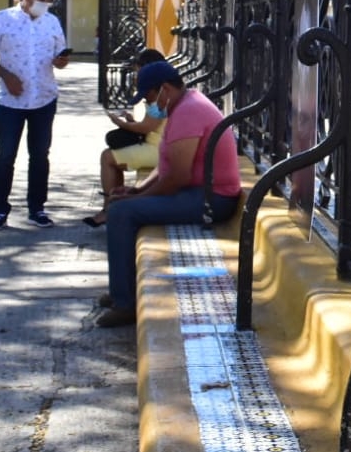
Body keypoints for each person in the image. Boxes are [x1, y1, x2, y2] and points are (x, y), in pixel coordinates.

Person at [96, 60, 242, 328]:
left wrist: (136, 199)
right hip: (197, 192)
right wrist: (136, 190)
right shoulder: (184, 106)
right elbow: (166, 168)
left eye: (150, 97)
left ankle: (125, 303)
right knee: (122, 205)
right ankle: (123, 289)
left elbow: (177, 177)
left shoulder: (188, 112)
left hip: (212, 200)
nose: (150, 105)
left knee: (119, 213)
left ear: (164, 89)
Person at [0, 0, 70, 230]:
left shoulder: (52, 22)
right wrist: (5, 75)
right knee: (6, 155)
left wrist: (61, 61)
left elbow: (59, 57)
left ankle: (37, 208)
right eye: (41, 0)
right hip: (10, 102)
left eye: (49, 1)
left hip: (44, 97)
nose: (45, 5)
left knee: (40, 155)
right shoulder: (2, 20)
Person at [83, 47, 167, 228]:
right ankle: (115, 206)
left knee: (107, 157)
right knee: (113, 156)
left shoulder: (159, 94)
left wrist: (121, 123)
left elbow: (146, 127)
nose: (136, 76)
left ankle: (108, 209)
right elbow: (151, 123)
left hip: (158, 150)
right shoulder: (161, 89)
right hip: (156, 145)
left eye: (138, 71)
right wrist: (132, 120)